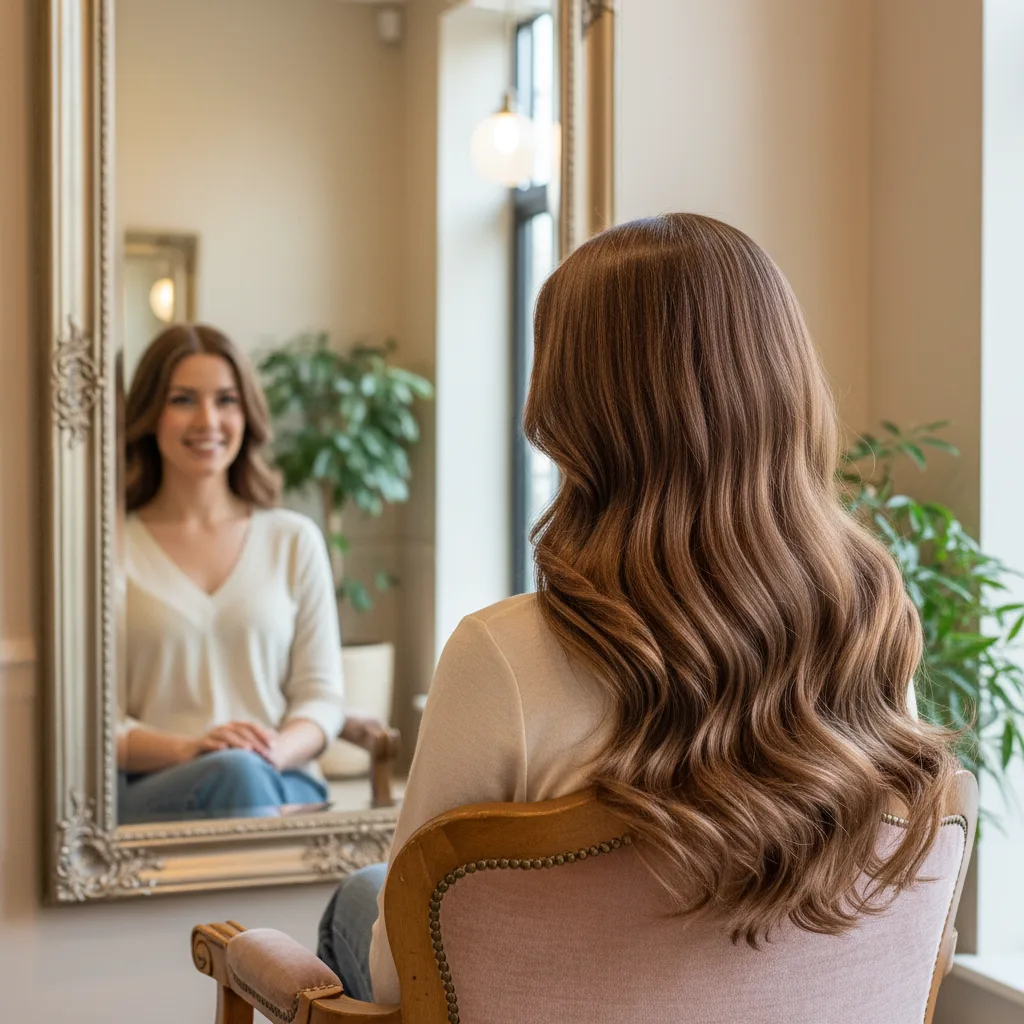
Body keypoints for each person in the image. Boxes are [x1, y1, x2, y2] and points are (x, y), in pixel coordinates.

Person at [317, 214, 957, 1003]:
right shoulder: (870, 621)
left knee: (360, 899)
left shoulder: (505, 655)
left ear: (570, 405)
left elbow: (399, 982)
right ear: (782, 386)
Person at [117, 323, 344, 824]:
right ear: (150, 413)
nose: (208, 420)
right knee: (236, 775)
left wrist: (272, 752)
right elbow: (92, 724)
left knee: (244, 775)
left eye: (226, 400)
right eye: (182, 400)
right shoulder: (109, 547)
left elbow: (323, 699)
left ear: (247, 415)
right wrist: (192, 749)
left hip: (282, 776)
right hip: (154, 787)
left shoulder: (293, 539)